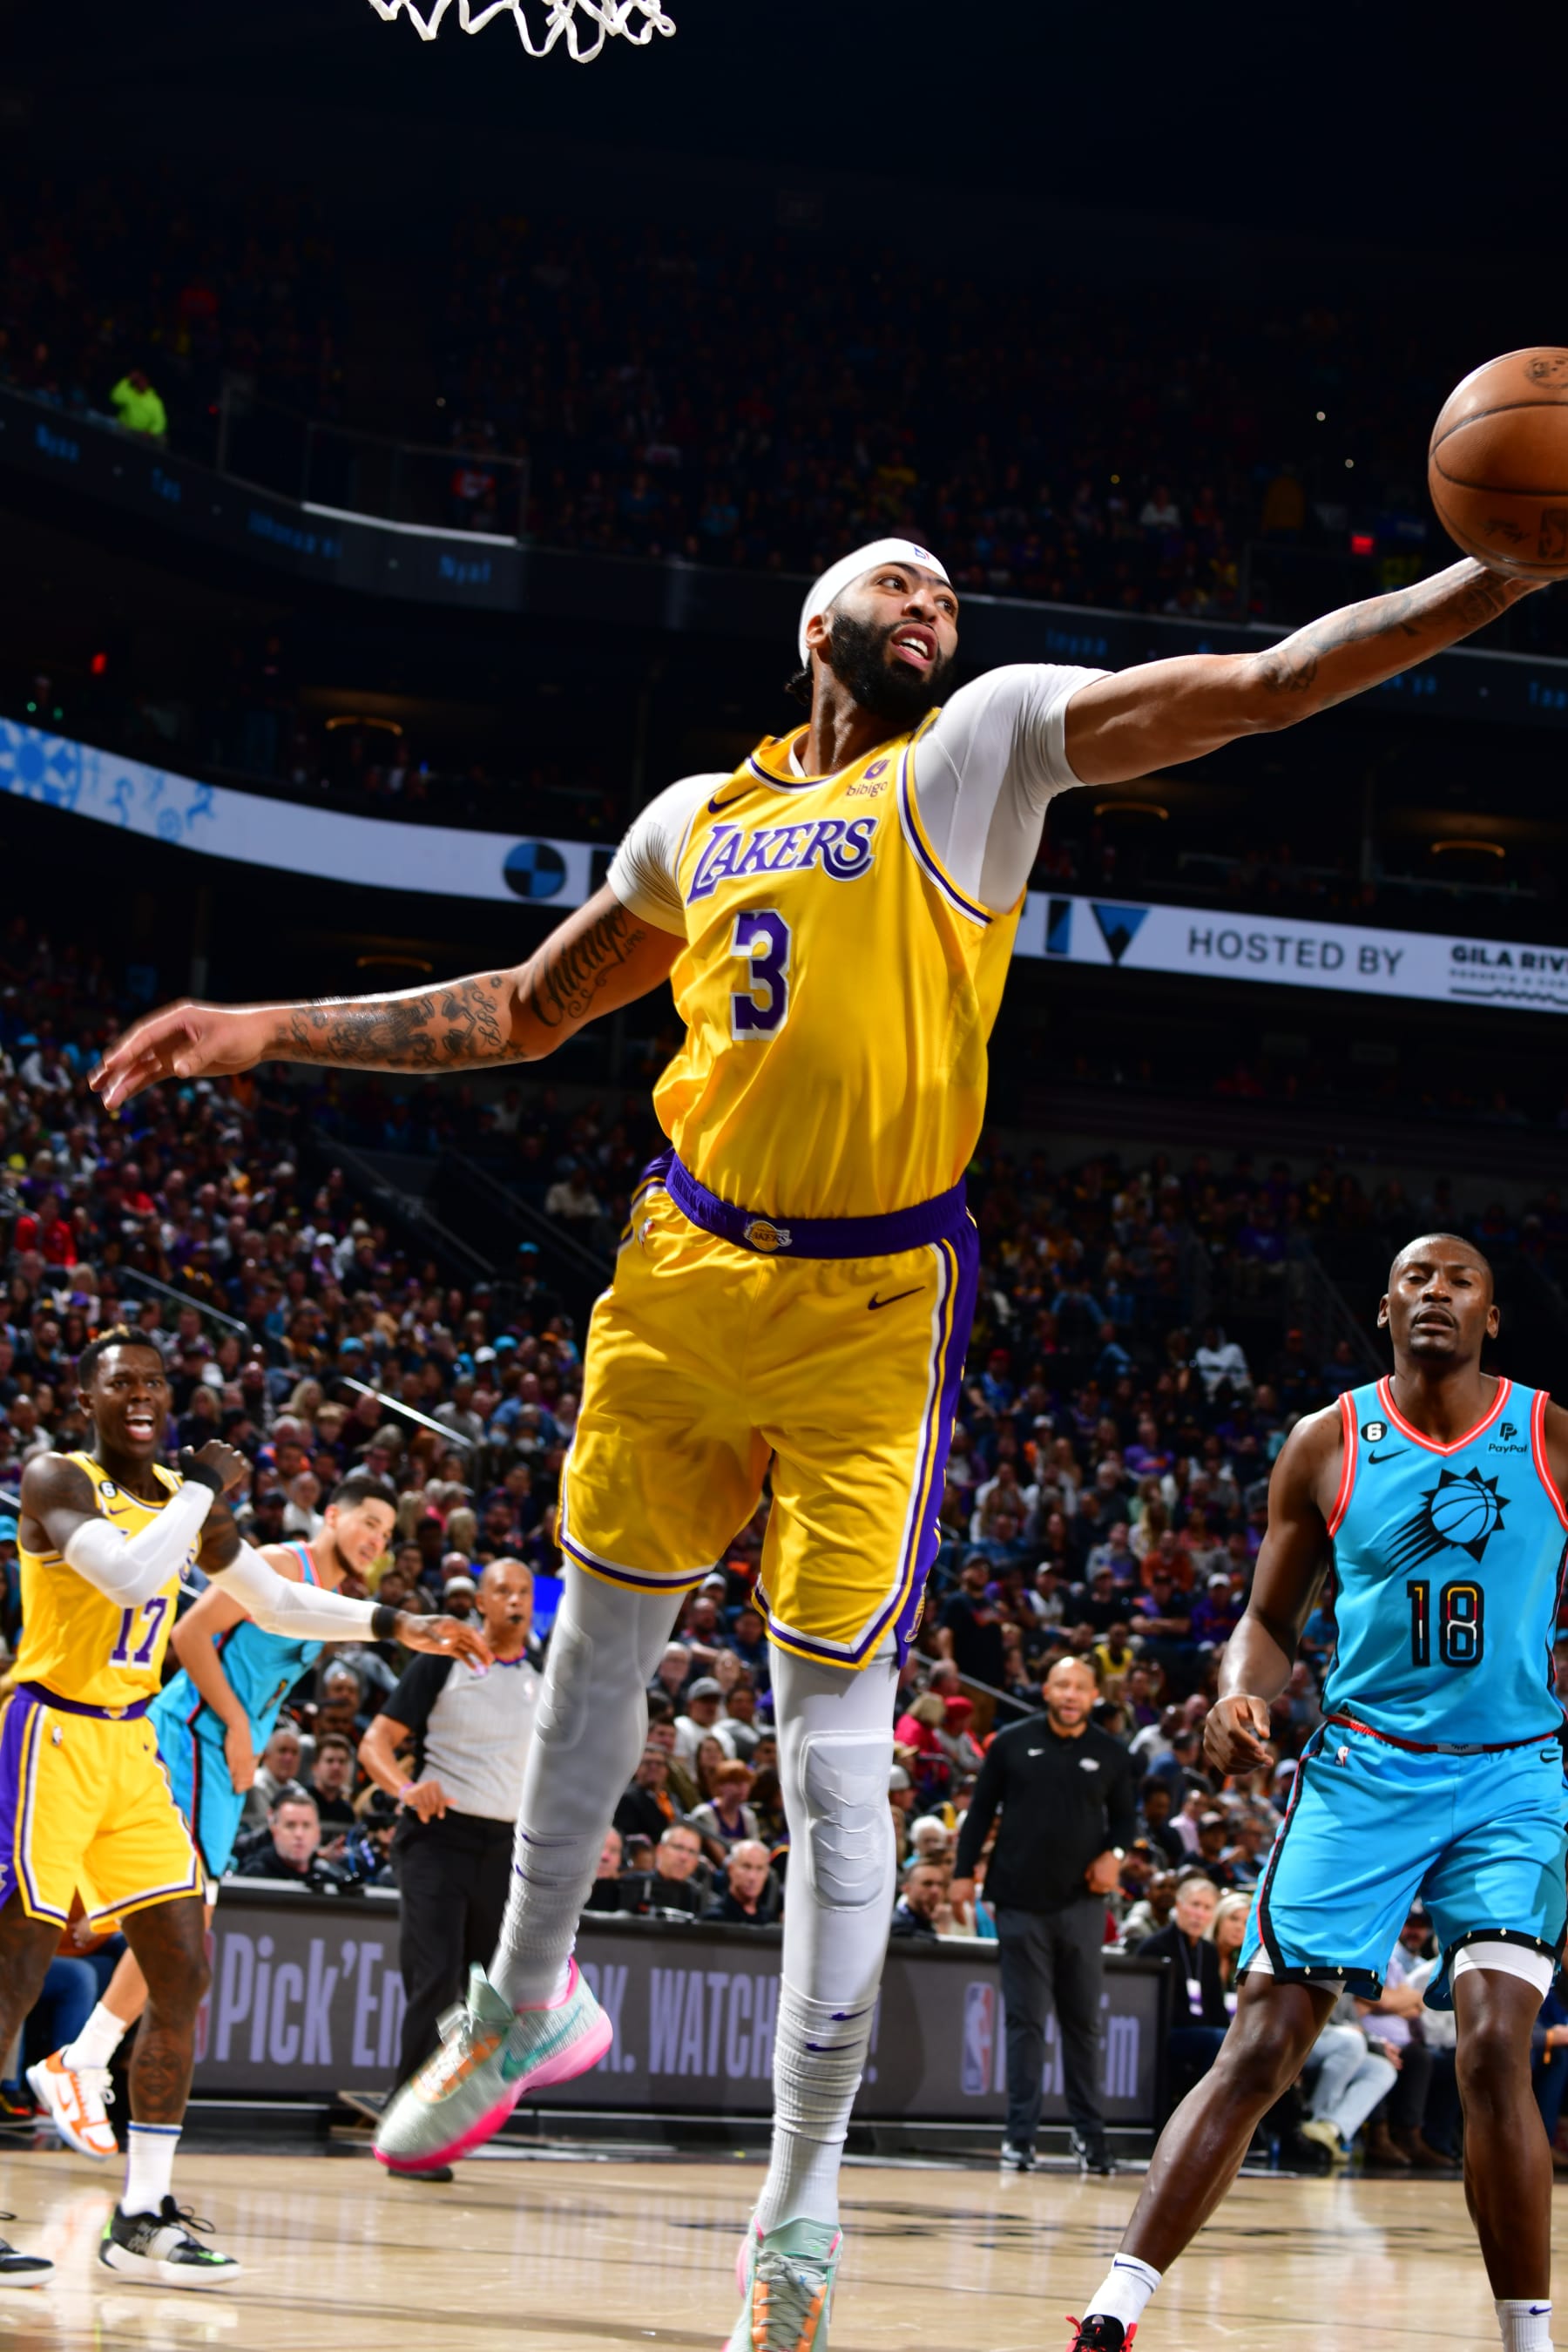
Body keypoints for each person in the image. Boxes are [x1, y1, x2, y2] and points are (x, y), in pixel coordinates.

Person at [95, 541, 1543, 2352]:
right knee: (596, 1664)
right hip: (683, 1265)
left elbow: (1265, 684)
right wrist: (273, 1030)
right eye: (901, 579)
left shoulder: (984, 748)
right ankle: (525, 2008)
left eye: (954, 591)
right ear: (817, 624)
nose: (936, 600)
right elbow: (532, 1010)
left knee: (832, 1762)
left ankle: (795, 2209)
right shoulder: (695, 817)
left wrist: (1493, 569)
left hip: (873, 1309)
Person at [1070, 1235, 1568, 2352]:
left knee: (1494, 2048)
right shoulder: (1327, 1442)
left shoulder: (1552, 1436)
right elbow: (1267, 1620)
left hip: (1513, 1779)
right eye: (1415, 1281)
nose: (1436, 1294)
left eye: (1461, 1282)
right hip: (1365, 1772)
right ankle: (1115, 2309)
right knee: (1262, 2044)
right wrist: (1239, 1693)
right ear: (1383, 1309)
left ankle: (1529, 2340)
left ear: (1493, 1318)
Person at [0, 1330, 486, 2285]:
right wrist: (201, 1492)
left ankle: (141, 2213)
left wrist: (396, 1623)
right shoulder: (58, 1479)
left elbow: (273, 1604)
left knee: (181, 1968)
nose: (139, 1393)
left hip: (130, 1745)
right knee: (13, 1974)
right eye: (120, 1382)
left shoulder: (184, 1507)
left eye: (153, 1380)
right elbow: (134, 1578)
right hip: (48, 1734)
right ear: (90, 1397)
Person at [28, 1469, 398, 2161]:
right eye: (369, 1522)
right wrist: (235, 1726)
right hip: (191, 1737)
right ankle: (79, 2060)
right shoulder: (286, 1563)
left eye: (387, 1533)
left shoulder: (331, 1591)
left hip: (227, 1765)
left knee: (182, 1930)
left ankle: (81, 2057)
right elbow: (193, 1635)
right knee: (180, 1915)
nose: (377, 1539)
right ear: (334, 1516)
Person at [357, 1558, 543, 2146]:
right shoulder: (442, 1663)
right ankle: (405, 2118)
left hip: (506, 1848)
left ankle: (446, 2112)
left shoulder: (545, 1681)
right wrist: (407, 1788)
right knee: (435, 1980)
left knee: (485, 1996)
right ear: (479, 1603)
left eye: (524, 1592)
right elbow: (375, 1743)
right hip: (437, 1836)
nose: (514, 1600)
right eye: (502, 1591)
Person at [951, 1656, 1137, 2175]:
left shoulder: (1112, 1754)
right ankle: (1020, 2138)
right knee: (1024, 2022)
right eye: (1062, 1685)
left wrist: (1115, 1856)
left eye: (1080, 1686)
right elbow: (981, 1812)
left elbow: (1126, 1821)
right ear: (1047, 1690)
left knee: (1082, 2024)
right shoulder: (1011, 1742)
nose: (1071, 1694)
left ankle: (1089, 2138)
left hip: (1081, 1904)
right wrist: (963, 1871)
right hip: (1018, 1902)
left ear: (1094, 1694)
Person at [1138, 1874, 1231, 2099]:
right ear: (1179, 1906)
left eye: (1207, 1907)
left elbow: (1216, 2007)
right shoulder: (1155, 1947)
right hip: (1166, 2033)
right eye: (1195, 1905)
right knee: (1219, 2041)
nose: (1200, 1914)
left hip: (1205, 2035)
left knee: (1239, 2045)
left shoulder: (1208, 1952)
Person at [235, 1786, 337, 1886]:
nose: (299, 1834)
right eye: (290, 1825)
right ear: (274, 1830)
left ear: (317, 1833)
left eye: (306, 1826)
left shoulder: (331, 1876)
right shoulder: (253, 1877)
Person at [706, 1840, 780, 1926]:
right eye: (746, 1867)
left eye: (759, 1868)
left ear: (766, 1873)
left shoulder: (770, 1921)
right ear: (731, 1869)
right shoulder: (713, 1919)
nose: (752, 1877)